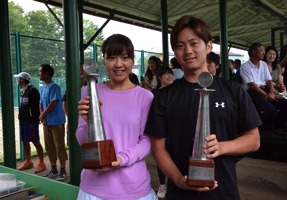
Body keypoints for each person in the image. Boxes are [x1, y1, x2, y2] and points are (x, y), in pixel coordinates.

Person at [145, 15, 261, 200]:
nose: (188, 51)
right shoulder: (163, 96)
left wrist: (220, 147)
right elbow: (158, 147)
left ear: (208, 46)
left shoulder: (234, 91)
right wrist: (178, 179)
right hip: (180, 192)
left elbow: (254, 140)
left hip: (224, 191)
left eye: (194, 43)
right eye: (180, 45)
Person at [76, 34, 157, 200]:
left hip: (134, 189)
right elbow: (81, 139)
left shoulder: (145, 96)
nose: (119, 64)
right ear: (104, 61)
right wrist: (88, 123)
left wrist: (120, 159)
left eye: (125, 57)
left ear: (132, 61)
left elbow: (147, 141)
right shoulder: (90, 90)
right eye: (112, 57)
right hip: (93, 189)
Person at [240, 43, 287, 135]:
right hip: (253, 93)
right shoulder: (245, 66)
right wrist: (267, 95)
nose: (264, 53)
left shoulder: (263, 64)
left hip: (265, 90)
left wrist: (271, 91)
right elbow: (252, 85)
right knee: (270, 109)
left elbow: (268, 80)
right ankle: (265, 130)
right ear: (254, 52)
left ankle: (275, 126)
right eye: (262, 51)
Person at [38, 64, 68, 181]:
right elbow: (40, 103)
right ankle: (53, 169)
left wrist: (42, 115)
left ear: (46, 73)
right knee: (49, 146)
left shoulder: (54, 86)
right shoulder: (43, 87)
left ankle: (63, 170)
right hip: (47, 122)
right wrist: (43, 117)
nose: (38, 74)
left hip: (57, 122)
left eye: (40, 72)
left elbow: (53, 103)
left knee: (59, 146)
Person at [14, 72, 46, 173]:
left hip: (31, 121)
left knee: (35, 141)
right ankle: (28, 161)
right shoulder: (22, 90)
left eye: (18, 78)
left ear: (22, 79)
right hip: (23, 120)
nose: (17, 80)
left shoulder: (32, 90)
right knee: (24, 141)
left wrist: (38, 118)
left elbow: (38, 105)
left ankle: (42, 163)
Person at [151, 66, 174, 198]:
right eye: (166, 74)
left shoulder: (178, 91)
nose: (169, 76)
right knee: (161, 158)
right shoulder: (153, 94)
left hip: (175, 131)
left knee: (174, 158)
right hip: (160, 131)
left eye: (170, 73)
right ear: (159, 78)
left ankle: (172, 183)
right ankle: (162, 184)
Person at [62, 62, 88, 145]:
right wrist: (70, 119)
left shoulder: (92, 84)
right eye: (78, 69)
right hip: (74, 119)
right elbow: (64, 104)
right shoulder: (71, 85)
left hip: (86, 120)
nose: (80, 71)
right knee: (72, 142)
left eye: (82, 69)